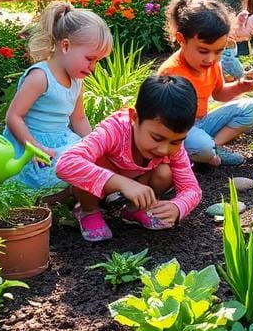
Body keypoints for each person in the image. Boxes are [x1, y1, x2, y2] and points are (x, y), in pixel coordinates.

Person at [56, 75, 202, 236]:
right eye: (157, 138)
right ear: (134, 118)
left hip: (137, 183)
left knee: (165, 172)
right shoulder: (114, 130)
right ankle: (88, 211)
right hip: (97, 187)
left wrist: (178, 206)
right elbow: (66, 163)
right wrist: (122, 183)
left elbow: (191, 188)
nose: (163, 149)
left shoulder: (173, 147)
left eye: (176, 142)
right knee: (89, 164)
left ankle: (135, 209)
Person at [2, 1, 112, 194]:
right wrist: (34, 147)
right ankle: (68, 198)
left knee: (94, 162)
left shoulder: (77, 80)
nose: (93, 67)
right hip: (32, 143)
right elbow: (14, 117)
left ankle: (90, 192)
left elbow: (78, 118)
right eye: (89, 59)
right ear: (66, 46)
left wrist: (95, 145)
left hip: (61, 141)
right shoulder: (40, 77)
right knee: (64, 175)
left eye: (97, 61)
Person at [158, 0, 253, 166]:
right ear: (182, 40)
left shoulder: (211, 64)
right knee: (201, 145)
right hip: (179, 131)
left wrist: (239, 86)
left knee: (252, 108)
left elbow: (219, 94)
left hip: (203, 122)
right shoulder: (172, 72)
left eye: (218, 51)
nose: (211, 58)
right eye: (203, 51)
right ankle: (203, 150)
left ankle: (214, 146)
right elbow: (165, 122)